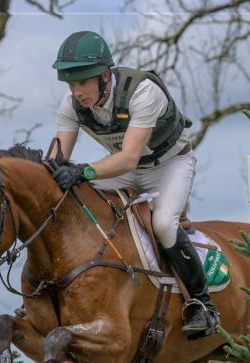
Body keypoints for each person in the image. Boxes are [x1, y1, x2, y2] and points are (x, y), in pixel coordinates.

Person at [48, 30, 219, 337]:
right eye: (71, 84)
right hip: (124, 168)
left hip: (169, 165)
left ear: (103, 76)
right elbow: (57, 156)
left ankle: (202, 303)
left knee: (164, 224)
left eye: (83, 82)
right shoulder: (71, 103)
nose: (77, 92)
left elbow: (128, 158)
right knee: (71, 198)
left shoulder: (142, 91)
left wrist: (83, 171)